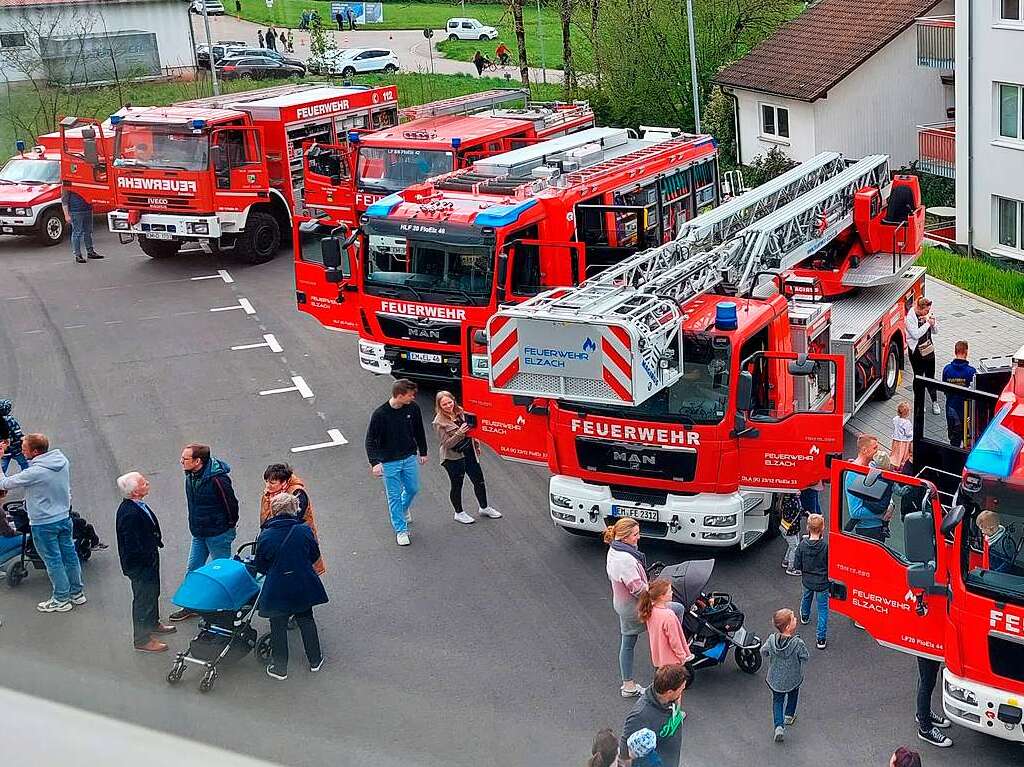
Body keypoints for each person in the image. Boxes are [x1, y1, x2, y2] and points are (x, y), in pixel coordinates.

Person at [0, 434, 84, 613]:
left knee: (53, 560)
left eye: (24, 449)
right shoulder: (61, 461)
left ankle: (61, 598)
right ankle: (77, 593)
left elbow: (4, 483)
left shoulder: (35, 472)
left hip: (43, 523)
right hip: (63, 517)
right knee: (69, 556)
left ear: (36, 451)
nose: (21, 451)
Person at [255, 492, 327, 680]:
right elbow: (314, 554)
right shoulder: (304, 530)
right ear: (294, 509)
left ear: (273, 510)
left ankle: (280, 668)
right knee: (306, 619)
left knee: (277, 626)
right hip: (303, 583)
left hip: (277, 587)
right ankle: (315, 660)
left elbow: (261, 565)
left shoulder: (266, 535)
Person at [169, 443, 240, 620]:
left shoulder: (218, 480)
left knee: (221, 571)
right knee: (193, 568)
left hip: (218, 533)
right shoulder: (191, 475)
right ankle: (191, 605)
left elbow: (231, 504)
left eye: (185, 459)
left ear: (198, 461)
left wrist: (229, 526)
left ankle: (226, 607)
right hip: (199, 532)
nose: (181, 462)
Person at [115, 472, 176, 653]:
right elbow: (132, 545)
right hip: (140, 565)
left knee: (153, 593)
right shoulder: (130, 514)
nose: (147, 483)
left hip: (148, 560)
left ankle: (152, 622)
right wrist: (145, 561)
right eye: (143, 483)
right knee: (143, 599)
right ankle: (142, 639)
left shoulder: (136, 505)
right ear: (134, 492)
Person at [365, 379, 428, 547]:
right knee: (393, 496)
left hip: (409, 457)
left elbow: (419, 430)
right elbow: (370, 440)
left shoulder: (413, 408)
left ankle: (402, 509)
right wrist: (375, 463)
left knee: (413, 488)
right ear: (399, 396)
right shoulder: (380, 414)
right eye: (410, 395)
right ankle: (401, 530)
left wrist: (423, 451)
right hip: (389, 461)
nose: (413, 398)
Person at [432, 390, 501, 525]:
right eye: (444, 404)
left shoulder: (461, 411)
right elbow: (446, 444)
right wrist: (459, 432)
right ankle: (459, 513)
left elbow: (472, 430)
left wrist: (476, 444)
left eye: (449, 402)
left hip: (469, 452)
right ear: (439, 406)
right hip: (453, 457)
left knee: (479, 480)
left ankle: (484, 507)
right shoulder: (438, 422)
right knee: (457, 485)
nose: (448, 406)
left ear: (453, 400)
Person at [618, 664, 691, 767]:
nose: (682, 691)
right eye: (681, 689)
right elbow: (625, 747)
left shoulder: (672, 698)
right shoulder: (640, 715)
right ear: (669, 692)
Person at [260, 463, 324, 575]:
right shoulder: (270, 492)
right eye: (267, 481)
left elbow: (293, 520)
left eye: (272, 482)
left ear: (284, 481)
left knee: (303, 574)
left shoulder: (297, 493)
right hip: (275, 536)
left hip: (294, 541)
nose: (268, 485)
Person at [762, 608, 809, 742]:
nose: (796, 620)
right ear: (788, 626)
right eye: (793, 619)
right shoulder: (798, 643)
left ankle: (779, 727)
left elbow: (763, 651)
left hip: (775, 679)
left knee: (777, 701)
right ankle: (789, 716)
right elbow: (805, 657)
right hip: (793, 677)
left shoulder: (771, 640)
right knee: (793, 695)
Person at [637, 578, 693, 669]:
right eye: (670, 591)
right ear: (661, 596)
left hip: (659, 658)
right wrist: (682, 657)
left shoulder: (650, 611)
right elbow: (675, 641)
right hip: (672, 661)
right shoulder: (669, 616)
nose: (672, 593)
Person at [793, 513, 829, 650]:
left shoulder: (802, 545)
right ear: (822, 528)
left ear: (808, 527)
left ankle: (805, 616)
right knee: (823, 609)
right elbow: (829, 564)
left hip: (807, 580)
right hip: (822, 582)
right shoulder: (825, 546)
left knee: (806, 597)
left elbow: (797, 565)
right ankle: (821, 639)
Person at [845, 434, 888, 541]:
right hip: (867, 531)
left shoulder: (870, 467)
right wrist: (882, 513)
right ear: (864, 450)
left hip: (876, 528)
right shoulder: (854, 474)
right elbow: (855, 512)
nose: (878, 451)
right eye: (875, 448)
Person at [906, 296, 939, 415]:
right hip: (916, 353)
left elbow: (935, 331)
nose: (928, 312)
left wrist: (933, 324)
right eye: (926, 310)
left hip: (928, 350)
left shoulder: (928, 314)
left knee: (930, 377)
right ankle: (920, 402)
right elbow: (915, 334)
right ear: (919, 308)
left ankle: (934, 401)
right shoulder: (910, 317)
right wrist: (927, 324)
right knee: (918, 377)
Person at [942, 340, 977, 448]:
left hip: (951, 409)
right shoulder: (971, 372)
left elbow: (944, 390)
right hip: (967, 412)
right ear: (966, 352)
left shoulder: (947, 369)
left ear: (955, 351)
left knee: (954, 440)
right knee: (967, 440)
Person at [61, 182, 102, 264]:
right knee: (77, 232)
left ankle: (90, 251)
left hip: (87, 208)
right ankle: (78, 254)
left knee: (88, 231)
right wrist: (66, 215)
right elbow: (64, 200)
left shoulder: (85, 179)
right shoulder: (67, 183)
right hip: (76, 210)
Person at [917, 656, 953, 746]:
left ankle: (923, 715)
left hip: (928, 645)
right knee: (927, 680)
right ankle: (925, 728)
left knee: (927, 678)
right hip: (927, 645)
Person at [779, 494, 804, 576]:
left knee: (792, 545)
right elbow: (798, 511)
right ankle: (791, 568)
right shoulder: (791, 502)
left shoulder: (788, 500)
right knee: (795, 547)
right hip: (791, 530)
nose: (799, 491)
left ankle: (786, 561)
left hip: (789, 528)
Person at [0, 398, 26, 474]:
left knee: (2, 468)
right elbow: (17, 433)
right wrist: (23, 439)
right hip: (16, 448)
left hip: (4, 450)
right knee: (24, 464)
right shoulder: (10, 419)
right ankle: (30, 479)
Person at [891, 400, 914, 474]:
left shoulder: (896, 419)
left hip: (896, 439)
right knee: (903, 454)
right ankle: (900, 466)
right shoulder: (907, 423)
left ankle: (894, 464)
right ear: (907, 413)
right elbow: (908, 433)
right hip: (904, 441)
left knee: (895, 452)